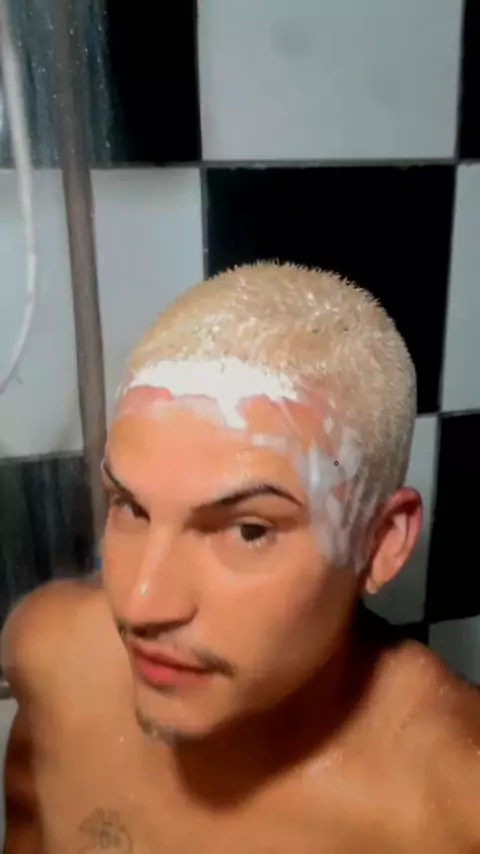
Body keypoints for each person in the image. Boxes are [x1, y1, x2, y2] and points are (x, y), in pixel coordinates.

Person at [2, 262, 479, 853]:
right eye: (131, 507)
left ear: (379, 544)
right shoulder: (52, 662)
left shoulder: (454, 809)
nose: (141, 605)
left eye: (249, 530)